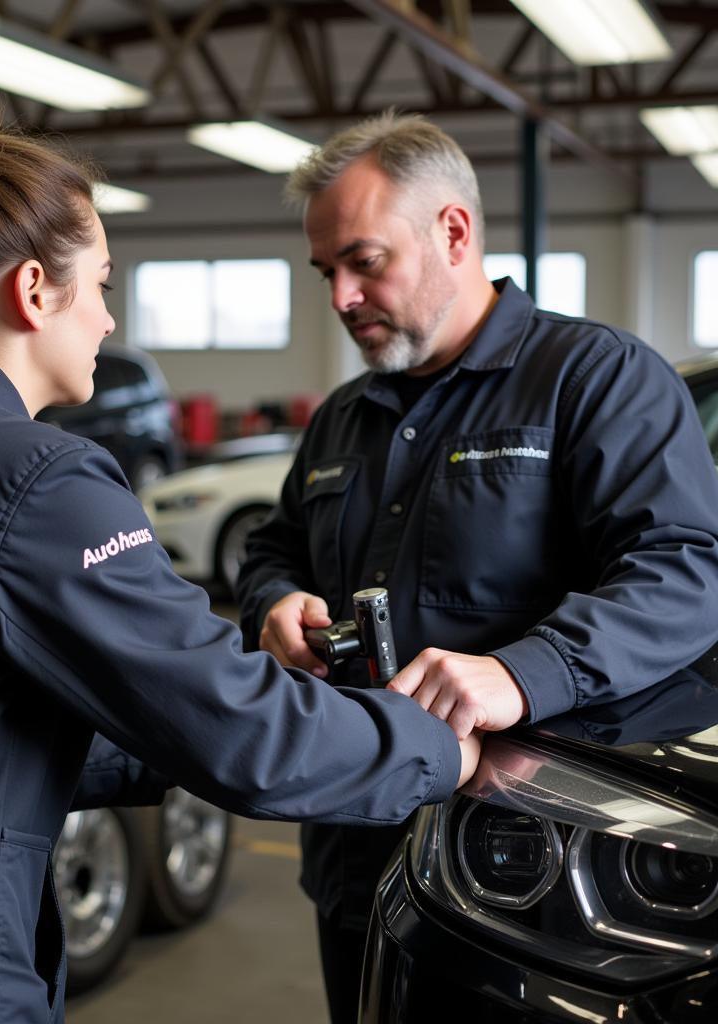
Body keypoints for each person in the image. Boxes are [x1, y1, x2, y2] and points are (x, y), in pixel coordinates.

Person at [0, 83, 481, 1024]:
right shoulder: (35, 479)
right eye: (102, 283)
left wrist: (165, 717)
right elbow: (246, 738)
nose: (109, 319)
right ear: (34, 290)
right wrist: (440, 748)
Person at [236, 111, 718, 1024]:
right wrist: (271, 602)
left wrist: (515, 674)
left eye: (364, 261)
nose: (340, 297)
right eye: (325, 272)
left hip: (525, 889)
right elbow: (273, 546)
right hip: (350, 849)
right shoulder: (344, 417)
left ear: (453, 233)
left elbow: (684, 573)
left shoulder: (597, 381)